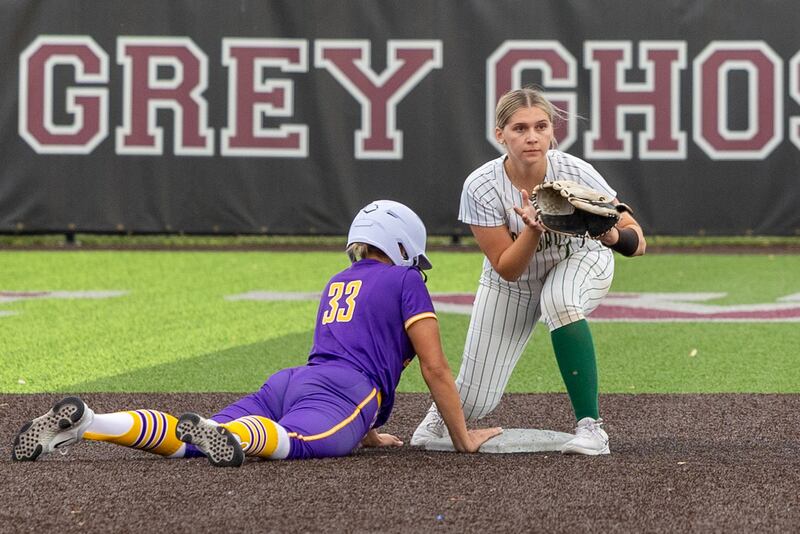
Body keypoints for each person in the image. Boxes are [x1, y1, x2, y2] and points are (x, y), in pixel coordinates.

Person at [11, 200, 502, 467]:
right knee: (289, 441)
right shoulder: (407, 279)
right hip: (344, 392)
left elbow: (345, 348)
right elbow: (434, 368)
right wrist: (463, 438)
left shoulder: (338, 281)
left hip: (289, 383)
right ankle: (228, 435)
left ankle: (89, 423)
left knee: (190, 441)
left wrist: (367, 434)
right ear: (402, 246)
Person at [410, 87, 646, 455]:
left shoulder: (574, 171)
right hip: (515, 279)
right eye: (519, 128)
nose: (532, 136)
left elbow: (638, 241)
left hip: (580, 259)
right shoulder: (482, 186)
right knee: (476, 398)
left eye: (541, 126)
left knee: (561, 300)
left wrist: (610, 233)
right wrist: (534, 230)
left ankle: (591, 429)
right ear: (500, 134)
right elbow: (506, 268)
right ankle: (437, 421)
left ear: (553, 131)